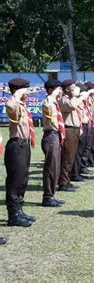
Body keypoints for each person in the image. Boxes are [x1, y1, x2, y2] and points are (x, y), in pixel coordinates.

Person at [4, 78, 37, 227]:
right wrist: (17, 95)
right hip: (16, 145)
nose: (28, 93)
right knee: (15, 180)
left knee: (22, 179)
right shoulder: (14, 104)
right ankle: (13, 214)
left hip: (24, 144)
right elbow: (10, 104)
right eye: (26, 90)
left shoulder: (22, 106)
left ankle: (19, 210)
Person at [58, 79, 90, 192]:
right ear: (67, 89)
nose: (75, 89)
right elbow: (72, 106)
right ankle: (62, 182)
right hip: (68, 130)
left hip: (74, 130)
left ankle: (66, 180)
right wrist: (80, 97)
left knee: (71, 157)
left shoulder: (71, 99)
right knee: (66, 158)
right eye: (73, 87)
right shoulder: (63, 100)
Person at [40, 79, 66, 207]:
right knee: (51, 167)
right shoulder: (48, 102)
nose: (60, 91)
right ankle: (47, 196)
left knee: (55, 167)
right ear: (51, 90)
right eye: (58, 89)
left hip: (55, 135)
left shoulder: (54, 102)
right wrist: (51, 96)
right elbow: (48, 111)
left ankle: (51, 194)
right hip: (50, 135)